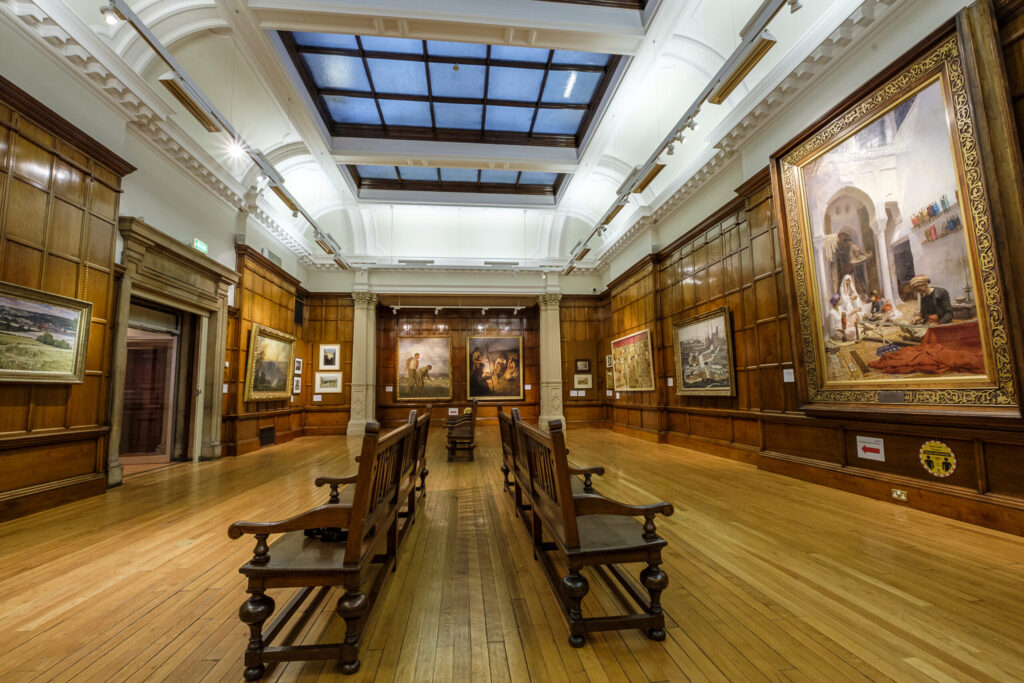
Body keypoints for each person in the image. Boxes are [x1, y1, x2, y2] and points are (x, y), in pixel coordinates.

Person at [833, 231, 873, 300]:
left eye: (846, 242)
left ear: (848, 242)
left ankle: (865, 294)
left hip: (856, 266)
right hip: (852, 266)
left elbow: (859, 251)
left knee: (860, 280)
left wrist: (865, 254)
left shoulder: (852, 246)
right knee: (851, 280)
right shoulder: (847, 247)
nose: (845, 244)